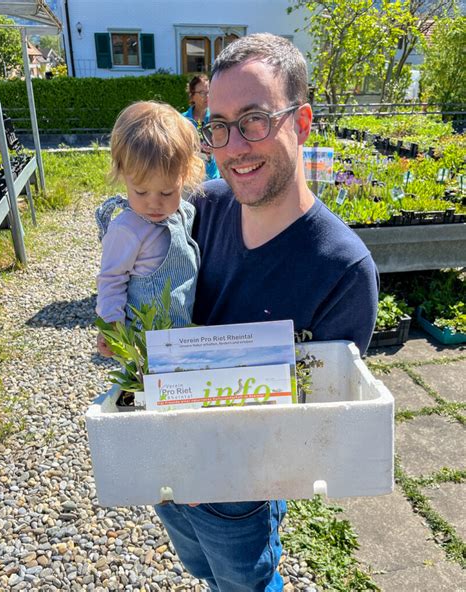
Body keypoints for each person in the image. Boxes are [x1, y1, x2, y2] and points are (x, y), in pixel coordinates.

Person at [154, 33, 379, 591]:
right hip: (167, 466)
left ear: (301, 123)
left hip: (240, 494)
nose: (233, 146)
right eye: (220, 126)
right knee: (202, 568)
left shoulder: (344, 270)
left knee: (245, 582)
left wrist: (224, 466)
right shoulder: (202, 209)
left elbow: (320, 422)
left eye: (254, 119)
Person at [95, 101, 204, 356]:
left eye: (167, 191)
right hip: (144, 343)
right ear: (123, 175)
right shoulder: (127, 229)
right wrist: (111, 327)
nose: (154, 203)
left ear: (185, 175)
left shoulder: (183, 213)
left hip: (182, 332)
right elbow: (111, 279)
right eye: (141, 191)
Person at [182, 75, 220, 180]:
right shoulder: (182, 120)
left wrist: (215, 148)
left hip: (212, 177)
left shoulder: (217, 118)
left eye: (209, 92)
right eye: (202, 93)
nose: (207, 96)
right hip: (190, 179)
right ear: (192, 95)